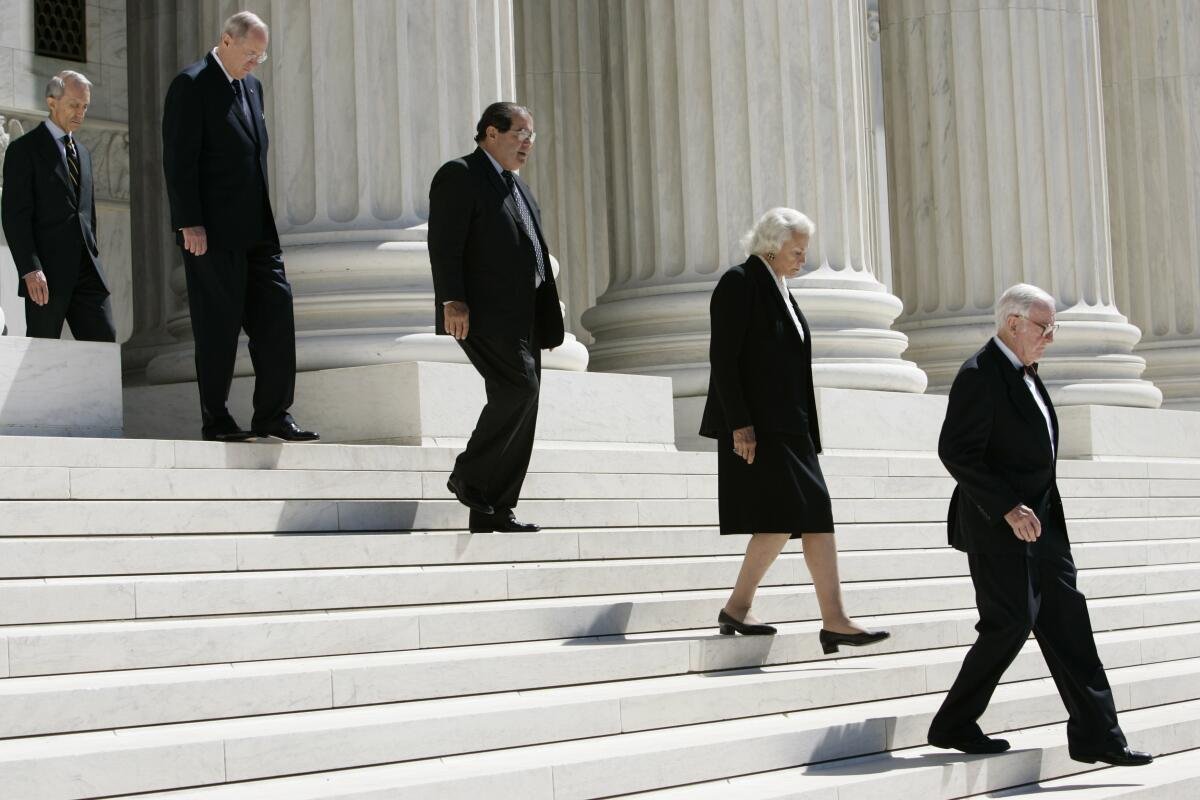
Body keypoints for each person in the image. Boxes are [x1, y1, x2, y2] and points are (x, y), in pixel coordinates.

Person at [927, 283, 1152, 765]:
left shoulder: (1027, 372)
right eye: (1045, 327)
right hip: (998, 527)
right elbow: (956, 452)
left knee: (1069, 622)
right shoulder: (979, 375)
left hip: (1044, 525)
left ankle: (1099, 736)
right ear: (1013, 324)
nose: (1051, 336)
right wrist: (1007, 506)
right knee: (1008, 625)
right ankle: (953, 723)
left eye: (1054, 327)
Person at [699, 207, 889, 653]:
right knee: (799, 515)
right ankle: (831, 620)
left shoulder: (782, 289)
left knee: (791, 519)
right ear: (771, 245)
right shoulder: (740, 283)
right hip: (760, 428)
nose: (803, 258)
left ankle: (744, 608)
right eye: (797, 250)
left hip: (792, 429)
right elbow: (723, 359)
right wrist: (739, 425)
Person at [162, 11, 317, 443]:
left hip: (257, 230)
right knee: (218, 327)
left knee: (276, 320)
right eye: (250, 53)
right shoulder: (191, 85)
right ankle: (216, 418)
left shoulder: (252, 87)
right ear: (226, 41)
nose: (254, 62)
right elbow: (179, 160)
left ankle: (273, 414)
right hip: (211, 232)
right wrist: (188, 221)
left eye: (261, 56)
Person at [428, 102, 565, 533]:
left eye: (532, 135)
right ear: (491, 133)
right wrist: (452, 300)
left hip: (526, 313)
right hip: (482, 312)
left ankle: (493, 509)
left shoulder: (519, 187)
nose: (528, 142)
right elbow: (444, 243)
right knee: (518, 389)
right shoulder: (460, 175)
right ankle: (468, 476)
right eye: (519, 133)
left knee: (526, 405)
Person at [1, 71, 115, 342]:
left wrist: (93, 253)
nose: (80, 112)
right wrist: (30, 269)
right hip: (45, 277)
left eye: (85, 106)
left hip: (88, 274)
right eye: (74, 104)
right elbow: (15, 216)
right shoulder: (23, 150)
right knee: (41, 353)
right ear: (52, 102)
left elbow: (87, 215)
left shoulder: (84, 154)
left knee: (104, 346)